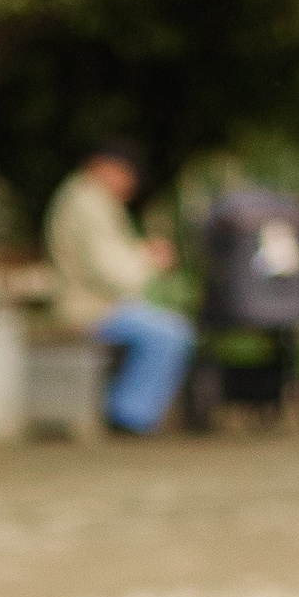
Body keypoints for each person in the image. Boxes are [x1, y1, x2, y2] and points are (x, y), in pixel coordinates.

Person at [44, 145, 192, 435]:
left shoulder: (86, 199)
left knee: (167, 327)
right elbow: (112, 272)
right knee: (170, 333)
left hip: (96, 304)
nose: (132, 185)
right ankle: (129, 417)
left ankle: (130, 413)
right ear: (105, 167)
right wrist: (150, 257)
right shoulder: (87, 203)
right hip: (90, 309)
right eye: (128, 175)